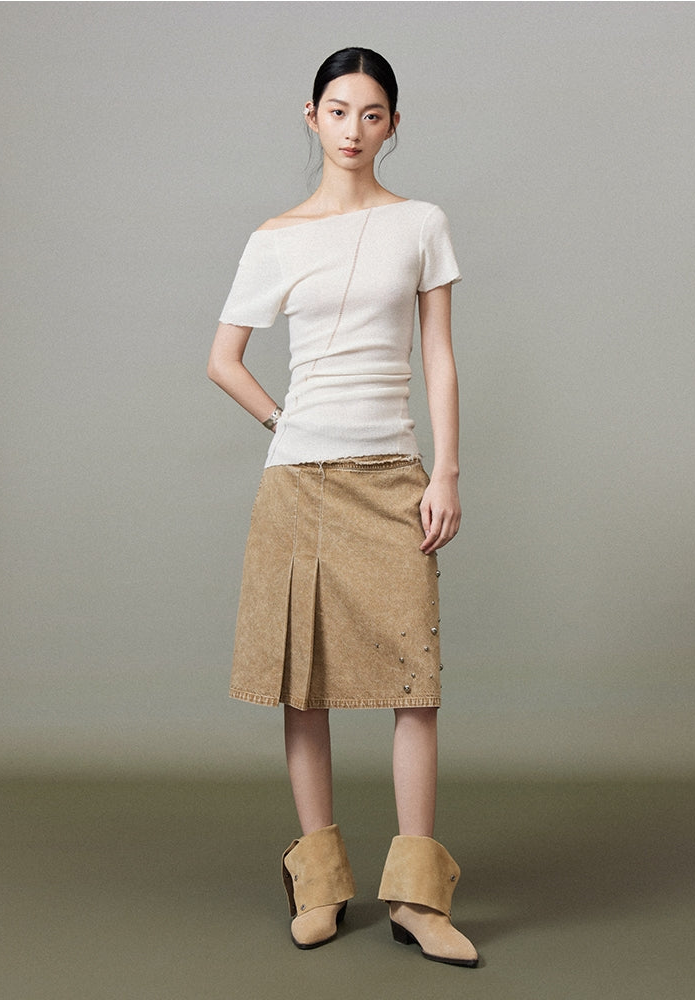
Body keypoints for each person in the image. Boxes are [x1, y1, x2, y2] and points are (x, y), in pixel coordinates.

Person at [207, 47, 478, 967]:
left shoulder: (421, 224)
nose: (353, 129)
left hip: (394, 472)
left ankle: (418, 899)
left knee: (414, 683)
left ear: (393, 124)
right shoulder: (276, 237)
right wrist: (285, 421)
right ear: (311, 117)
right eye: (337, 110)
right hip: (301, 482)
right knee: (305, 683)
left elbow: (437, 355)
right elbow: (223, 360)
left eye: (371, 113)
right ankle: (320, 885)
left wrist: (445, 471)